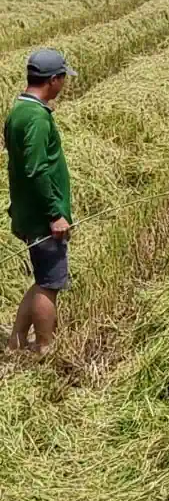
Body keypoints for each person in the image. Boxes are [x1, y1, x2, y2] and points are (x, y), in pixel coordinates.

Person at [7, 49, 75, 354]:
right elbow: (35, 169)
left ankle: (17, 340)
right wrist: (54, 214)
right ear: (53, 80)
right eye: (63, 78)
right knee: (50, 283)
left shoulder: (20, 111)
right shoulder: (35, 118)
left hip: (28, 212)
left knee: (41, 278)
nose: (64, 84)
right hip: (41, 217)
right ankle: (45, 348)